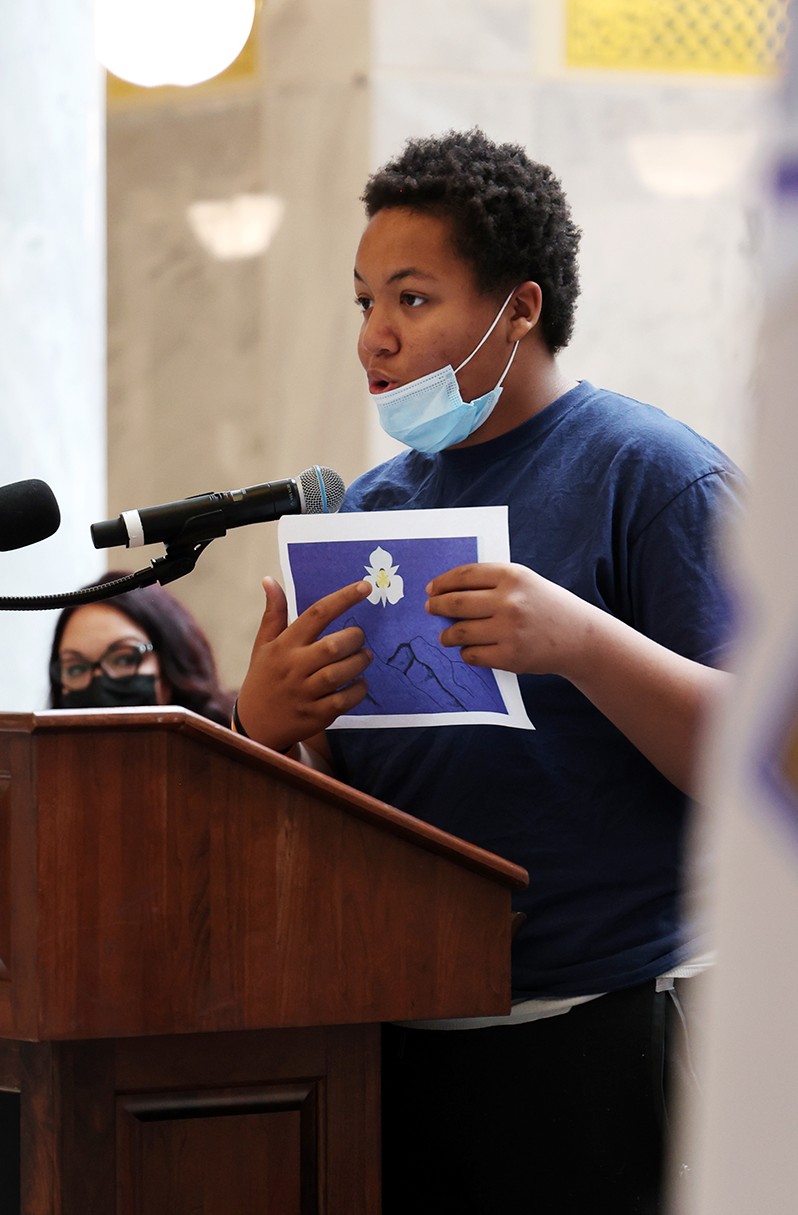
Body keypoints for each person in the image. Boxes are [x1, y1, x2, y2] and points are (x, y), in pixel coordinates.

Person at [234, 129, 739, 1213]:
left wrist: (583, 643)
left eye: (412, 299)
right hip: (401, 1033)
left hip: (607, 1028)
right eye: (363, 301)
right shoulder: (372, 508)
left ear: (520, 309)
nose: (374, 336)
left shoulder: (652, 475)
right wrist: (270, 730)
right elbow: (356, 798)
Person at [49, 572, 234, 726]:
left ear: (171, 663)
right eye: (75, 669)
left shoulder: (231, 750)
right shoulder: (42, 757)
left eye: (124, 659)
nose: (99, 684)